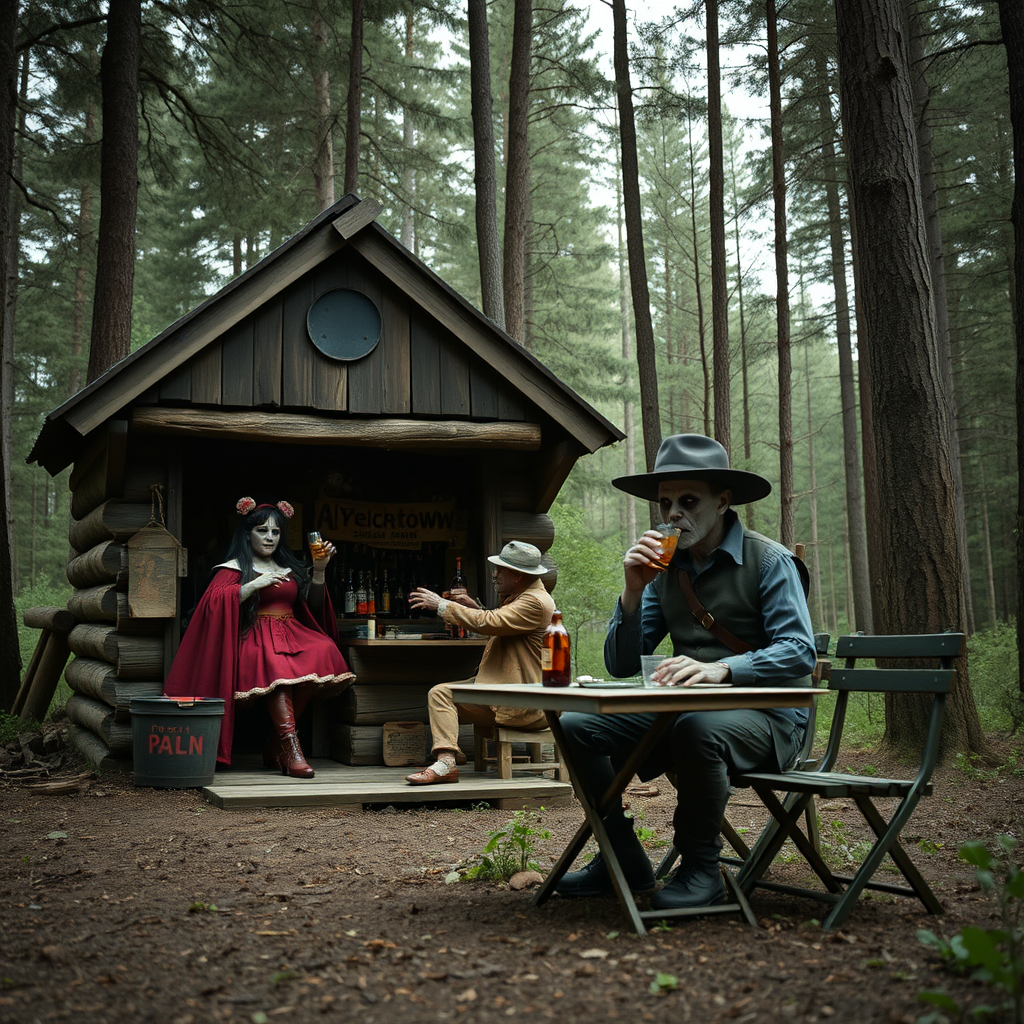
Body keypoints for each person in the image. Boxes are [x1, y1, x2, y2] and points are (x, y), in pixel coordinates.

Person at [555, 434, 816, 910]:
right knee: (576, 725)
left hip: (773, 718)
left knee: (698, 728)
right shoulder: (664, 569)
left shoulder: (770, 561)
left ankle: (701, 869)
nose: (674, 513)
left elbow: (799, 652)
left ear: (723, 501)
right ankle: (624, 857)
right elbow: (620, 664)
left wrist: (722, 670)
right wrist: (632, 592)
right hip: (683, 713)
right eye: (666, 502)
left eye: (689, 501)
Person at [164, 497, 355, 778]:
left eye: (275, 532)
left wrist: (320, 569)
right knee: (275, 668)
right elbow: (212, 604)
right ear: (247, 533)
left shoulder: (288, 567)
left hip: (291, 633)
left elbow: (312, 608)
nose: (269, 537)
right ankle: (291, 748)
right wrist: (253, 585)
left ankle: (276, 745)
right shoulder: (233, 568)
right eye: (262, 531)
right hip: (252, 636)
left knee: (323, 648)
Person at [403, 541, 556, 786]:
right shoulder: (524, 596)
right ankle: (448, 756)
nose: (495, 574)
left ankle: (446, 762)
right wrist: (478, 609)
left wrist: (441, 605)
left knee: (441, 695)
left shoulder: (535, 602)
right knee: (442, 694)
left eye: (500, 569)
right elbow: (502, 624)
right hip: (514, 694)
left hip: (525, 702)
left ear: (517, 576)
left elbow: (491, 622)